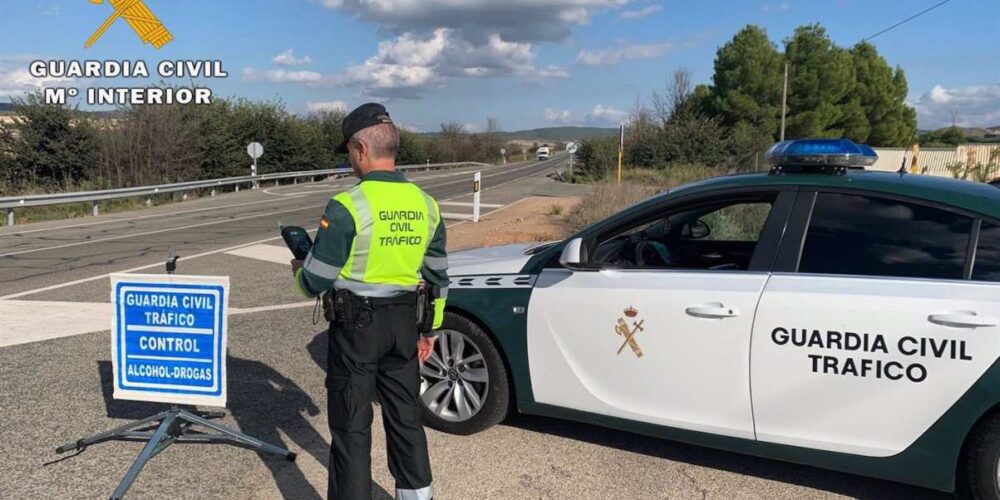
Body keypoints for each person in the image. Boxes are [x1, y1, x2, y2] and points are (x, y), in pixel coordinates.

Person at [291, 103, 448, 500]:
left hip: (356, 329)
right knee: (406, 420)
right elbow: (438, 278)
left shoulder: (347, 206)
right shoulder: (427, 205)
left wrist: (298, 266)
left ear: (361, 149)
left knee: (351, 428)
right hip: (404, 326)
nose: (349, 160)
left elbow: (314, 281)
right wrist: (429, 330)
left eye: (348, 151)